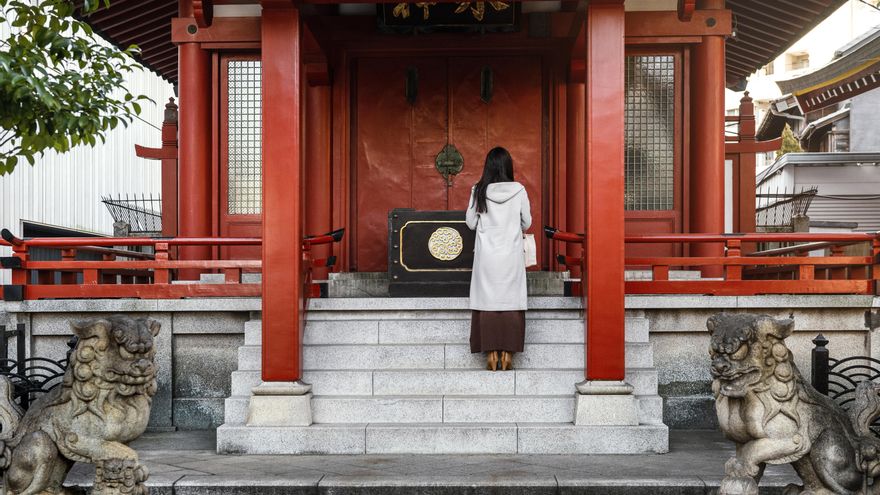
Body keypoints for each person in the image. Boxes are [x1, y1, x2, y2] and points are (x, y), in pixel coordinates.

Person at [465, 147, 532, 371]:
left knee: (487, 300)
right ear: (508, 166)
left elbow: (470, 223)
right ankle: (508, 354)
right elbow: (527, 222)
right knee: (510, 299)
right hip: (511, 254)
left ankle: (491, 355)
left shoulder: (479, 190)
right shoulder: (519, 190)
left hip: (487, 256)